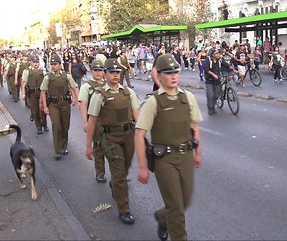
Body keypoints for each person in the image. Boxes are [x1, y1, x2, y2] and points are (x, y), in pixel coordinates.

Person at [135, 54, 203, 241]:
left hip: (186, 155)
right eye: (168, 73)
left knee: (185, 201)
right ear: (159, 75)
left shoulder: (187, 97)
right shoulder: (153, 101)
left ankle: (162, 218)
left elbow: (194, 126)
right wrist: (142, 166)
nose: (173, 76)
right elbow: (140, 134)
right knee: (176, 207)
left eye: (176, 72)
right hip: (164, 160)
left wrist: (198, 153)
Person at [85, 58, 139, 224]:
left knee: (124, 170)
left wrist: (142, 135)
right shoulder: (99, 95)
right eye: (111, 72)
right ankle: (124, 209)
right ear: (106, 74)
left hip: (128, 136)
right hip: (109, 139)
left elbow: (137, 115)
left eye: (117, 72)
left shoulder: (128, 92)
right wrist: (89, 146)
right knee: (119, 172)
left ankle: (116, 184)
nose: (115, 75)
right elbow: (92, 121)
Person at [40, 54, 79, 160]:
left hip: (65, 104)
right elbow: (43, 91)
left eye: (55, 64)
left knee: (65, 126)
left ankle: (64, 146)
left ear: (60, 65)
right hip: (53, 105)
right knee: (56, 125)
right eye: (51, 64)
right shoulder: (48, 77)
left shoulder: (66, 76)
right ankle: (57, 150)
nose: (53, 66)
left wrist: (77, 99)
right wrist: (45, 107)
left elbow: (74, 87)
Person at [79, 60, 106, 183]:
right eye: (96, 70)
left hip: (110, 121)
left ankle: (118, 175)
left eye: (100, 70)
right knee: (99, 148)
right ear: (91, 71)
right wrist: (85, 122)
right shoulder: (87, 86)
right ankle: (100, 172)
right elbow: (83, 105)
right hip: (95, 122)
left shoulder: (108, 84)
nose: (98, 72)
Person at [22, 55, 48, 134]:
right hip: (32, 93)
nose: (36, 64)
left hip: (41, 93)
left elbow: (47, 81)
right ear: (31, 63)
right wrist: (23, 93)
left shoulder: (43, 71)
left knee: (43, 110)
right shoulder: (27, 71)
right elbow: (24, 83)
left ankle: (44, 124)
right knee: (35, 110)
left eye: (37, 62)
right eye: (34, 62)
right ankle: (38, 127)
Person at [204, 49, 236, 115]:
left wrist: (233, 69)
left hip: (217, 80)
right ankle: (210, 108)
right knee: (210, 94)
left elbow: (226, 65)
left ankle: (212, 106)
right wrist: (213, 74)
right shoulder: (208, 60)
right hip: (209, 80)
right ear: (213, 55)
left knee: (216, 95)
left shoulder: (220, 60)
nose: (219, 55)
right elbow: (207, 69)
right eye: (217, 53)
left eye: (219, 53)